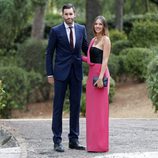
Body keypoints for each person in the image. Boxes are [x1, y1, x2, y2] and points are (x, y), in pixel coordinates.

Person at [46, 3, 88, 152]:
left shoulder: (81, 29)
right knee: (58, 107)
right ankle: (57, 141)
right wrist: (49, 73)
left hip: (76, 73)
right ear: (62, 15)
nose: (69, 17)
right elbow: (49, 53)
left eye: (71, 14)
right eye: (66, 14)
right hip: (60, 74)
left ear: (74, 14)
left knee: (75, 106)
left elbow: (87, 49)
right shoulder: (55, 31)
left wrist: (101, 53)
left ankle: (73, 140)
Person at [82, 15, 111, 152]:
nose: (97, 26)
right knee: (92, 112)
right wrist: (77, 56)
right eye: (96, 24)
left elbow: (105, 61)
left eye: (100, 24)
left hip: (100, 76)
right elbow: (90, 59)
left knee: (100, 112)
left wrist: (100, 78)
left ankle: (101, 145)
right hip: (91, 77)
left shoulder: (106, 40)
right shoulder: (93, 40)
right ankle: (92, 145)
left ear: (104, 26)